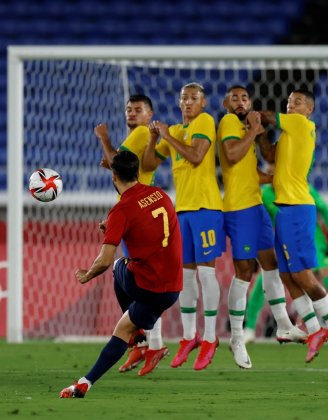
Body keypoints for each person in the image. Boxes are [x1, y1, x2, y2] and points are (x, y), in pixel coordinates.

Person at [59, 151, 183, 398]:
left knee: (117, 266)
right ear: (137, 172)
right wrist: (116, 229)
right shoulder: (161, 195)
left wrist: (87, 275)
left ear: (113, 176)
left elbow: (104, 260)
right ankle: (86, 381)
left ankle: (135, 340)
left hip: (148, 287)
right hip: (172, 289)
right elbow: (150, 229)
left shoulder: (121, 210)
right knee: (124, 327)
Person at [256, 89, 328, 363]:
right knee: (287, 275)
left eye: (297, 102)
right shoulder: (289, 135)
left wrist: (248, 115)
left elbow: (268, 116)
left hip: (297, 208)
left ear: (309, 109)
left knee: (303, 274)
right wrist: (259, 133)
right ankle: (314, 329)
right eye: (288, 102)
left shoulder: (300, 124)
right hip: (286, 210)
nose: (291, 105)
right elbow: (269, 153)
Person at [217, 85, 306, 368]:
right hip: (238, 209)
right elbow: (231, 156)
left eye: (245, 98)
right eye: (235, 97)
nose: (241, 102)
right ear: (226, 103)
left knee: (270, 263)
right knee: (244, 272)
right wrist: (254, 132)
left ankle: (283, 324)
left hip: (255, 206)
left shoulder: (246, 128)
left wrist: (272, 178)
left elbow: (248, 169)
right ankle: (237, 338)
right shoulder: (229, 122)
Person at [143, 82, 225, 371]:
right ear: (179, 104)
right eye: (184, 98)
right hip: (184, 211)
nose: (188, 102)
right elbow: (150, 162)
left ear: (203, 103)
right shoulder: (176, 131)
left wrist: (167, 135)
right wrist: (155, 138)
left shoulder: (205, 121)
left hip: (206, 208)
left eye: (194, 98)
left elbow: (196, 156)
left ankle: (211, 337)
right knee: (186, 278)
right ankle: (190, 336)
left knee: (206, 272)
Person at [94, 94, 168, 376]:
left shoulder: (139, 133)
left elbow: (116, 162)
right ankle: (146, 343)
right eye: (129, 109)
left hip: (138, 211)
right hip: (137, 209)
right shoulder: (137, 136)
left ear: (149, 115)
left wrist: (103, 138)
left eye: (138, 109)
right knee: (137, 281)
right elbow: (119, 165)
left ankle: (149, 342)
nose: (132, 112)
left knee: (141, 282)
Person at [243, 183, 328, 347]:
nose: (271, 168)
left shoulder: (298, 186)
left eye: (274, 164)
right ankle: (249, 329)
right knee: (265, 281)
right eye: (268, 164)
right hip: (284, 240)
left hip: (313, 240)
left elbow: (324, 209)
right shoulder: (265, 194)